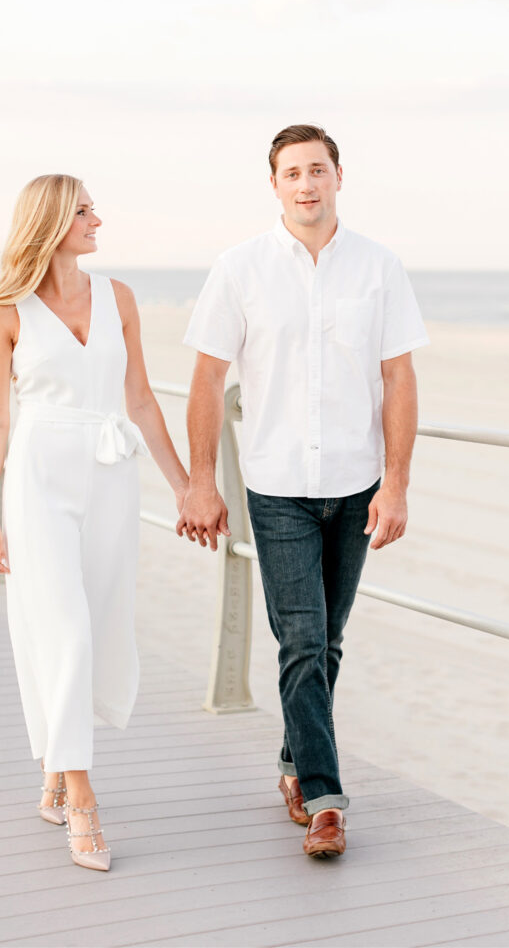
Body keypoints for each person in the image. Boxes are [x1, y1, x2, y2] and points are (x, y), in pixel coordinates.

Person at [177, 124, 429, 858]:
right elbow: (205, 377)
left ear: (338, 176)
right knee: (302, 637)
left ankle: (291, 765)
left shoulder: (379, 268)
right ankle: (324, 799)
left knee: (327, 640)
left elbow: (399, 379)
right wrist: (200, 479)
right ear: (275, 185)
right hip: (278, 483)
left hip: (356, 483)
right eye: (291, 173)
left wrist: (397, 485)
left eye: (316, 169)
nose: (305, 184)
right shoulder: (240, 268)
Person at [0, 174, 188, 871]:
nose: (99, 219)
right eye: (86, 210)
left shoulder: (118, 297)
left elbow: (143, 400)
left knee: (96, 621)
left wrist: (187, 487)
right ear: (54, 222)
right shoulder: (5, 310)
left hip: (111, 475)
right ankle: (82, 801)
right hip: (39, 480)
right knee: (61, 628)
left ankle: (55, 773)